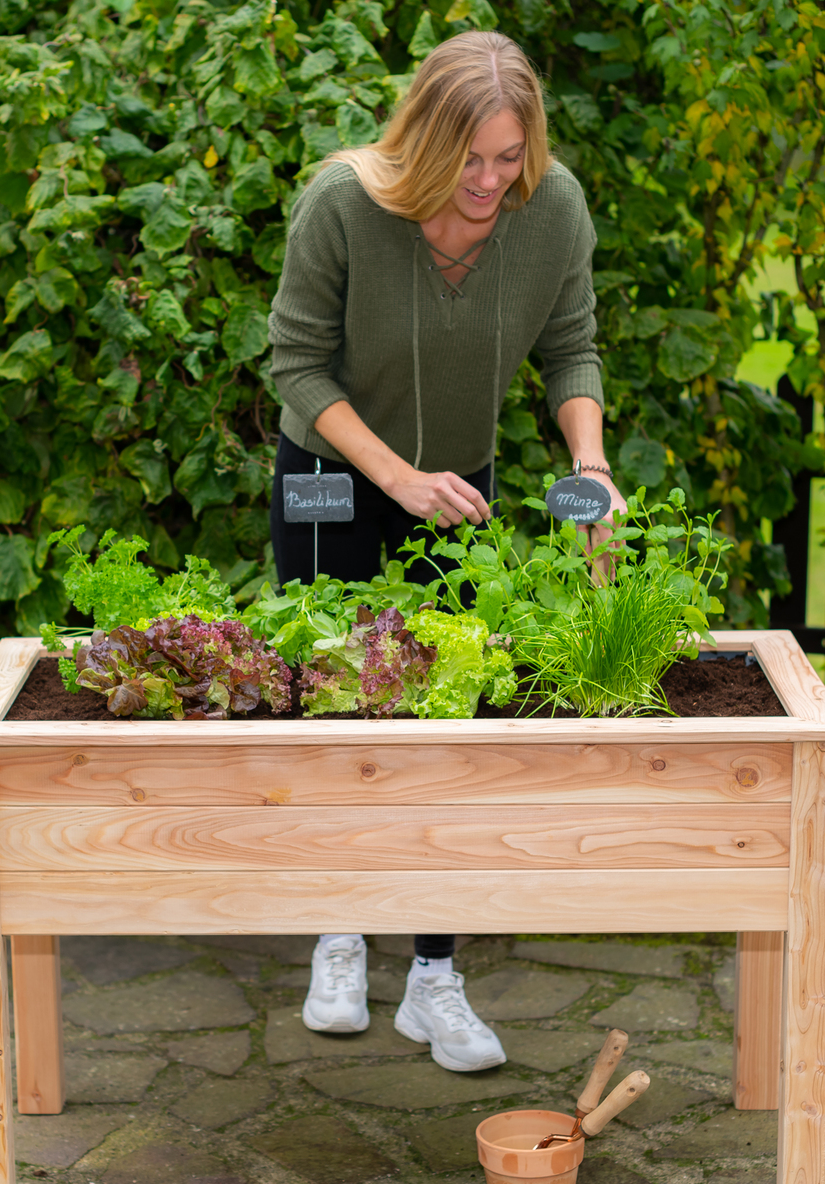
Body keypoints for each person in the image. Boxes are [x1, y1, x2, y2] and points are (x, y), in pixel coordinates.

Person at [267, 30, 625, 1072]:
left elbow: (573, 346)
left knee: (447, 713)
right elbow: (295, 364)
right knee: (337, 700)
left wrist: (590, 459)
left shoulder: (551, 212)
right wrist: (394, 478)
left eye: (509, 157)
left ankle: (432, 976)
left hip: (456, 493)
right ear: (426, 137)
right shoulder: (341, 205)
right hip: (332, 477)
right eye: (470, 158)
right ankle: (340, 934)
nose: (489, 181)